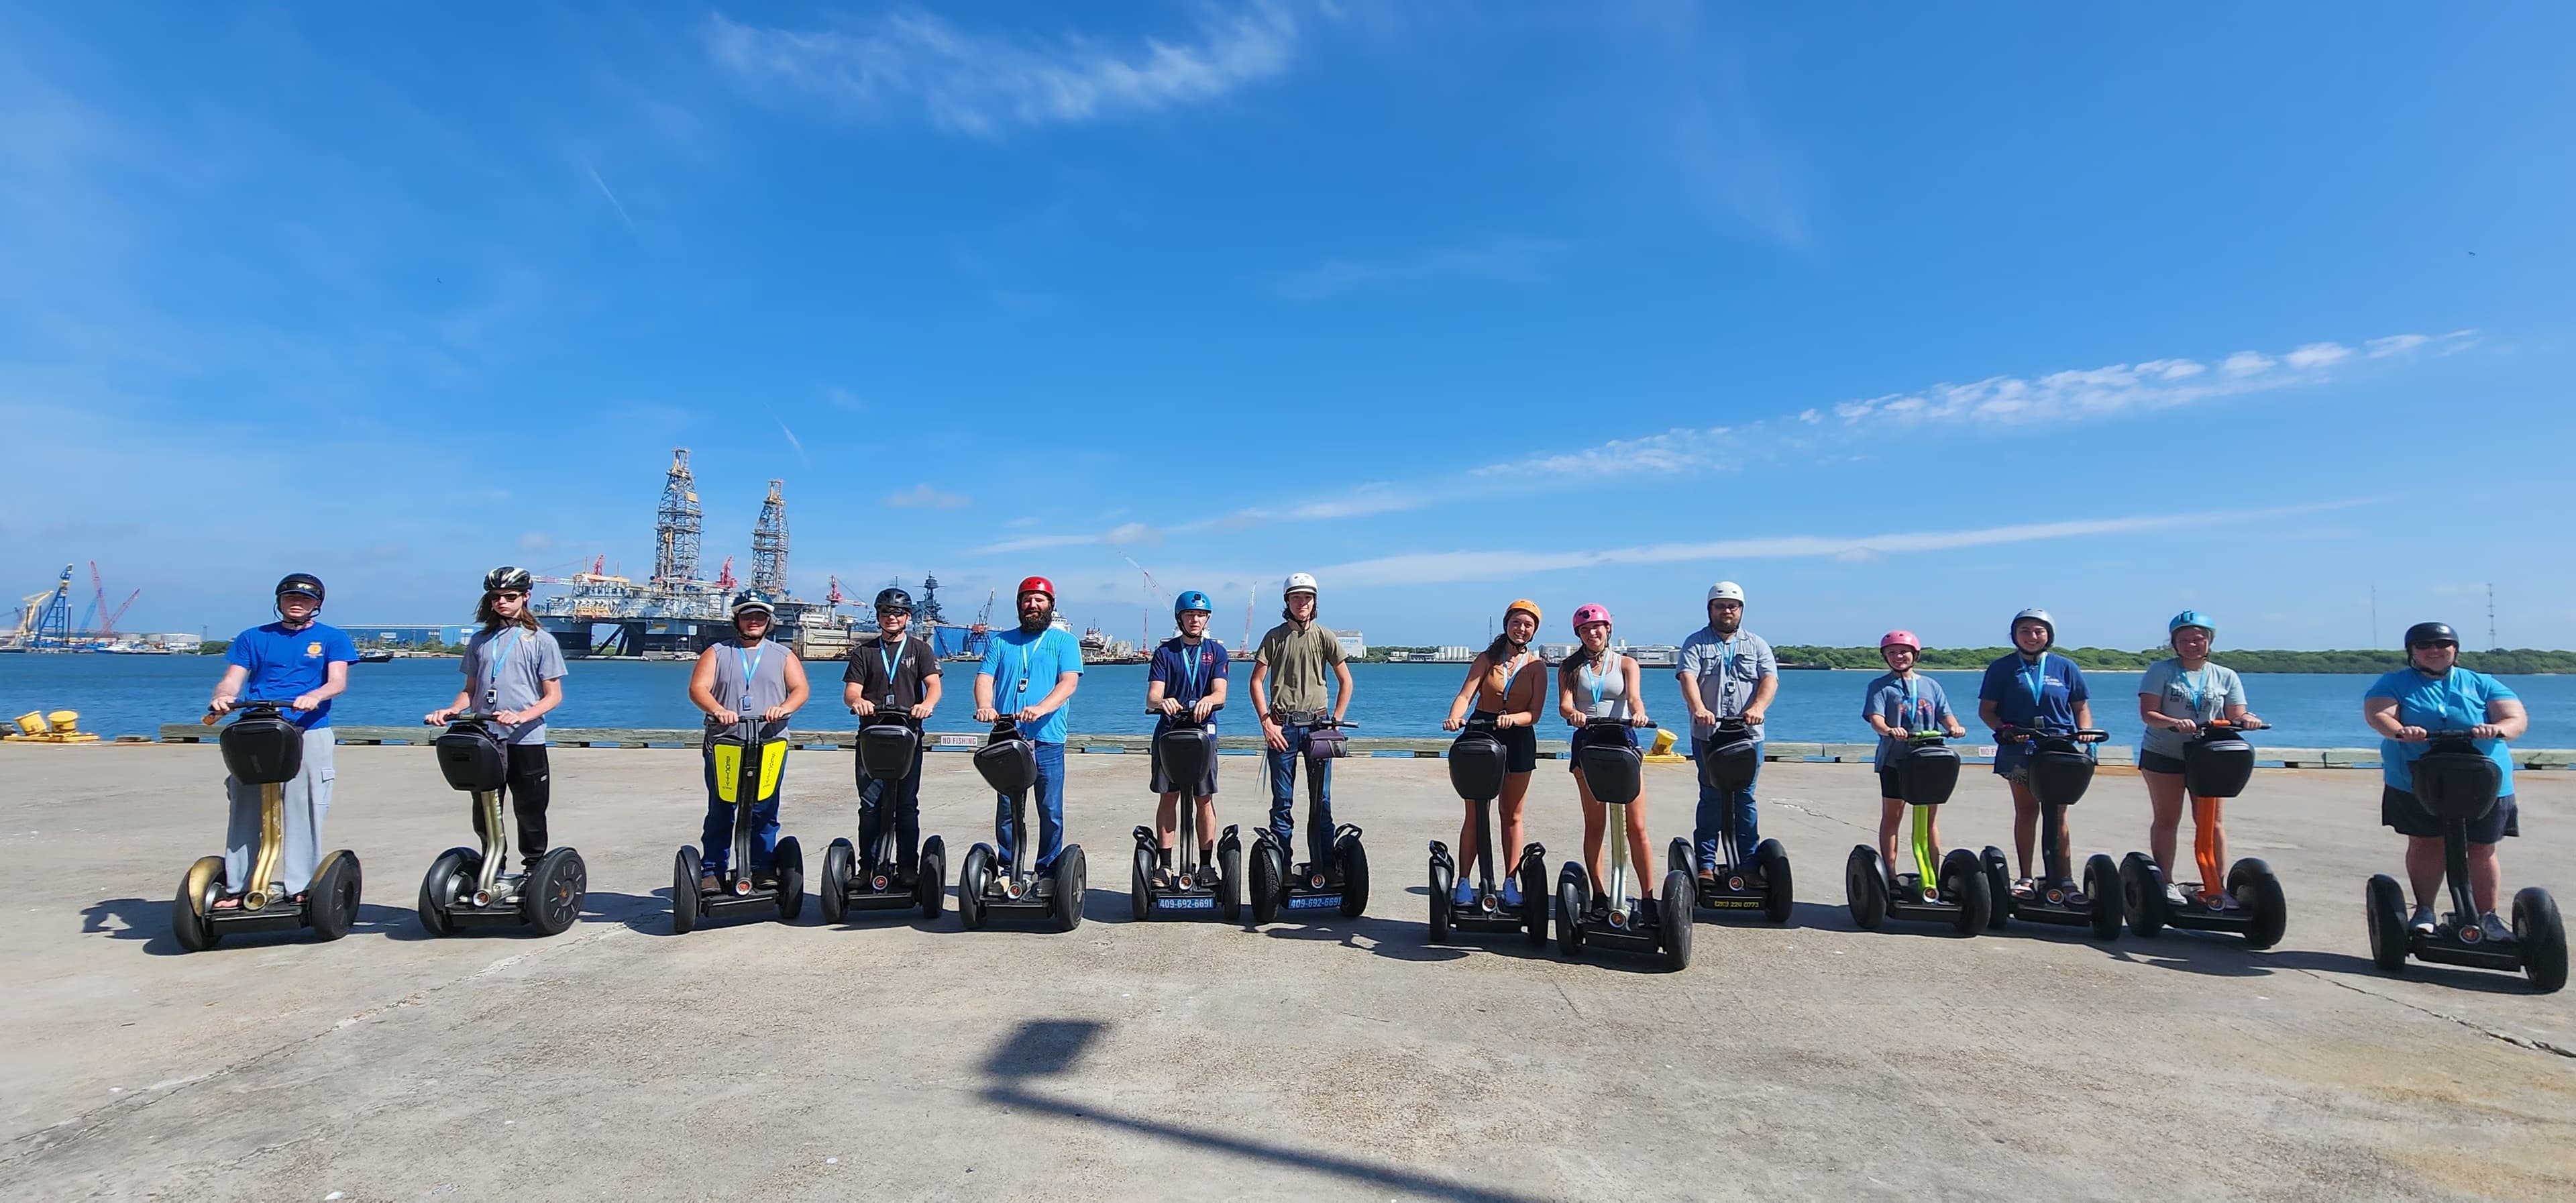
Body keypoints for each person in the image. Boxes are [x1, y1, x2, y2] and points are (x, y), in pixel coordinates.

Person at [2364, 621, 2530, 941]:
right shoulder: (2394, 683)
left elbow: (2515, 718)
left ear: (2455, 649)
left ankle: (2488, 917)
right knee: (2426, 842)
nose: (2434, 651)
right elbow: (2379, 715)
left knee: (2481, 848)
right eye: (2424, 645)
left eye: (2442, 644)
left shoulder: (2482, 683)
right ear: (2412, 652)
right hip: (2416, 778)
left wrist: (2497, 729)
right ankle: (2424, 910)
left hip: (2484, 780)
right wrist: (2401, 730)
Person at [207, 573, 360, 907]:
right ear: (278, 601)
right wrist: (222, 698)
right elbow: (232, 681)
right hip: (259, 728)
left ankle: (301, 885)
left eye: (305, 599)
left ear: (316, 605)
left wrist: (314, 696)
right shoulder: (253, 637)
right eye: (290, 597)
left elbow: (337, 682)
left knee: (303, 805)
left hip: (308, 726)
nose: (296, 603)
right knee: (245, 803)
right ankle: (238, 886)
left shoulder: (332, 638)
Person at [425, 566, 569, 874]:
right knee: (486, 809)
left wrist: (521, 716)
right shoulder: (480, 640)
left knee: (530, 808)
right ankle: (494, 864)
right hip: (486, 738)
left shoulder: (541, 641)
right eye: (495, 597)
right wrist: (451, 711)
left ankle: (534, 867)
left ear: (525, 597)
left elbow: (554, 696)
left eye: (509, 596)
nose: (502, 602)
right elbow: (470, 691)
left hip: (526, 739)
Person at [688, 591, 812, 891]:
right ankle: (712, 870)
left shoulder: (782, 655)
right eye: (747, 616)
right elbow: (698, 688)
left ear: (769, 621)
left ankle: (762, 867)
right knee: (721, 807)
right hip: (726, 742)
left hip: (769, 742)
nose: (753, 621)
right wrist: (717, 710)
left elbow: (800, 689)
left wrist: (785, 708)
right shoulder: (717, 652)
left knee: (765, 808)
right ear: (736, 620)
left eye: (760, 616)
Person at [2135, 611, 2260, 907]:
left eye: (2199, 639)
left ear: (2209, 642)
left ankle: (2215, 884)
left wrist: (2249, 720)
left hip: (2208, 757)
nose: (2192, 644)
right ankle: (2166, 882)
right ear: (2174, 643)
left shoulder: (2225, 675)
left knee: (2211, 823)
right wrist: (2172, 722)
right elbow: (2148, 714)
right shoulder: (2161, 671)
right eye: (2185, 639)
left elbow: (2236, 714)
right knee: (2168, 818)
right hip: (2165, 753)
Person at [1977, 607, 2094, 893]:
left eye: (2038, 631)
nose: (2032, 636)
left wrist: (2085, 734)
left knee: (2057, 814)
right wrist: (2003, 730)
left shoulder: (2065, 667)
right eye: (2025, 631)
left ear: (2049, 635)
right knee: (2027, 811)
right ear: (2015, 635)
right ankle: (2026, 877)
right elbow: (1987, 711)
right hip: (2020, 746)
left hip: (2059, 746)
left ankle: (2064, 879)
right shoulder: (2002, 668)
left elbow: (2081, 708)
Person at [973, 576, 1085, 873]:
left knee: (1049, 809)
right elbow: (985, 678)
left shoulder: (1065, 641)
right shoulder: (1001, 641)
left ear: (1050, 604)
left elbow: (1068, 683)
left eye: (1039, 600)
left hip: (1047, 736)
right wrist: (985, 706)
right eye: (1027, 599)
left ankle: (1047, 869)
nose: (1032, 605)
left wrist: (1041, 708)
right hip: (1006, 735)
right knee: (1008, 809)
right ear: (1019, 605)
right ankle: (1008, 866)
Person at [1441, 600, 1548, 906]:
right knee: (1475, 812)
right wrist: (1454, 716)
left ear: (1534, 631)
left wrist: (1513, 719)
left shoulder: (1537, 667)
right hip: (1481, 733)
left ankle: (1510, 882)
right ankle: (1464, 881)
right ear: (1507, 624)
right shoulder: (1487, 659)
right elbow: (1466, 694)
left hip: (1518, 739)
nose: (1522, 629)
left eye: (1528, 625)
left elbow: (1535, 713)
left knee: (1512, 815)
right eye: (1517, 622)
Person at [1248, 572, 1356, 876]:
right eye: (1296, 598)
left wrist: (1336, 720)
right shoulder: (1274, 637)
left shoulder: (1325, 637)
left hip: (1318, 726)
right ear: (1287, 602)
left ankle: (1326, 866)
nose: (1302, 603)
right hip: (1283, 726)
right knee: (1283, 802)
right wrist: (1266, 722)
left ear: (1314, 601)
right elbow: (1256, 681)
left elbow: (1346, 681)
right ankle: (1280, 869)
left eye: (1307, 598)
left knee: (1321, 801)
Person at [1557, 604, 1656, 912]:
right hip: (1589, 742)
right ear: (1579, 634)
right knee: (1596, 824)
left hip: (1622, 740)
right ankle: (1599, 894)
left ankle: (1650, 897)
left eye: (1597, 627)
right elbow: (1564, 704)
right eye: (1585, 630)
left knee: (1636, 826)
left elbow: (1635, 698)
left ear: (1608, 629)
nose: (1592, 633)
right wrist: (1573, 714)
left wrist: (1639, 714)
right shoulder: (1569, 668)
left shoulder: (1626, 664)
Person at [1677, 580, 1777, 882]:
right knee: (1711, 796)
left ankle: (1748, 864)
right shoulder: (1696, 643)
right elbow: (1687, 678)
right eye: (1720, 606)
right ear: (1710, 609)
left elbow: (1769, 680)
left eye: (1732, 607)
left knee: (1745, 799)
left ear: (1741, 610)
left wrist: (1758, 708)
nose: (1726, 611)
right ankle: (1705, 864)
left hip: (1748, 735)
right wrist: (1698, 709)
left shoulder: (1757, 644)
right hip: (1709, 734)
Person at [843, 586, 941, 884]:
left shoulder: (920, 650)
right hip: (872, 737)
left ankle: (909, 867)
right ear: (879, 616)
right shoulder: (865, 652)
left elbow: (933, 685)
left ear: (908, 617)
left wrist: (926, 705)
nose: (892, 617)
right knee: (870, 804)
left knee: (906, 804)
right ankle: (867, 868)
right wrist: (857, 702)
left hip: (908, 736)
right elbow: (851, 691)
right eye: (886, 612)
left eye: (898, 612)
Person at [1862, 630, 1967, 886]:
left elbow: (1945, 713)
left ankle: (1932, 876)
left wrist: (1955, 727)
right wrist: (1888, 730)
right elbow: (1875, 718)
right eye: (1892, 653)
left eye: (1904, 652)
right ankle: (1890, 874)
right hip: (1895, 761)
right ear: (1886, 657)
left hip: (1929, 760)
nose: (1899, 656)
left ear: (1915, 655)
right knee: (1893, 816)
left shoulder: (1931, 685)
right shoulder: (1880, 686)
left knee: (1929, 819)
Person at [1145, 590, 1231, 885]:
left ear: (1207, 619)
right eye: (1189, 615)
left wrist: (1210, 700)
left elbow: (1221, 692)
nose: (1195, 620)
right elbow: (1153, 695)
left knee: (1203, 797)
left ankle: (1206, 866)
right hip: (1170, 732)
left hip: (1203, 734)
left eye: (1200, 615)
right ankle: (1165, 865)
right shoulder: (1165, 653)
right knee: (1168, 796)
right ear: (1179, 618)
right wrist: (1163, 702)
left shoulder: (1217, 652)